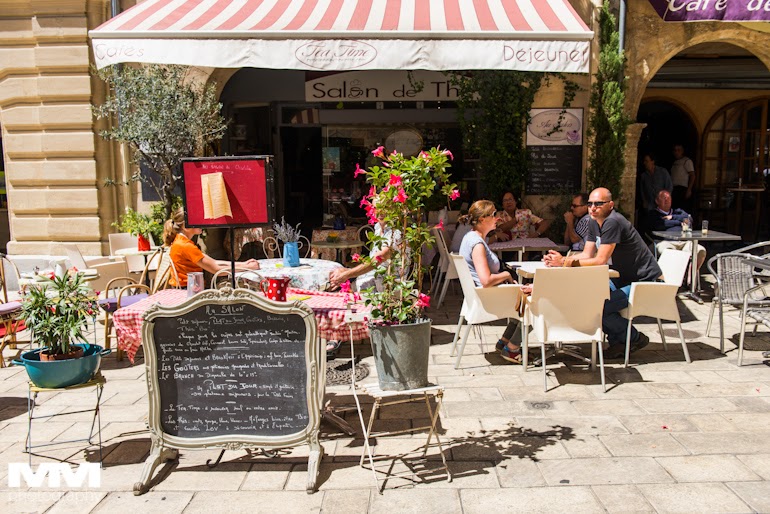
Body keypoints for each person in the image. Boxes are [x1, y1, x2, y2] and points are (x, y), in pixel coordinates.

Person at [543, 188, 661, 359]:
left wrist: (564, 262)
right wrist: (563, 261)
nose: (593, 207)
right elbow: (586, 254)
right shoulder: (593, 221)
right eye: (590, 203)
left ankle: (634, 338)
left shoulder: (613, 222)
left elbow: (600, 260)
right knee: (590, 298)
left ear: (611, 205)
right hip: (622, 279)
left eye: (598, 204)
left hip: (644, 280)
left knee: (600, 306)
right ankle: (618, 342)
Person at [459, 200, 530, 364]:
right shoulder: (477, 244)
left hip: (478, 295)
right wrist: (505, 275)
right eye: (493, 215)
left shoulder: (472, 237)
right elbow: (486, 280)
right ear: (483, 219)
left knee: (523, 295)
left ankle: (504, 341)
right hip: (486, 297)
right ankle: (512, 349)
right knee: (533, 300)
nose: (497, 218)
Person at [164, 207, 260, 287]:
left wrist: (244, 265)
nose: (201, 222)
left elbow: (214, 262)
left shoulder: (181, 241)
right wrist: (247, 268)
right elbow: (215, 269)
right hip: (189, 291)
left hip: (186, 287)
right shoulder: (185, 246)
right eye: (196, 220)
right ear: (186, 225)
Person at [647, 189, 706, 271]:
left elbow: (689, 219)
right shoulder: (653, 214)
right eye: (664, 198)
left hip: (684, 242)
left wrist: (673, 217)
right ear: (657, 201)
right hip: (665, 242)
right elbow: (660, 225)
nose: (667, 200)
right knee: (671, 254)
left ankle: (690, 275)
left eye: (669, 198)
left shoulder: (677, 211)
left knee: (700, 251)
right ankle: (673, 280)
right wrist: (679, 222)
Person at [328, 221, 395, 290]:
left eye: (383, 210)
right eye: (377, 209)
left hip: (387, 280)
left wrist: (347, 274)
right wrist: (347, 271)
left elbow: (377, 259)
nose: (380, 212)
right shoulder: (378, 227)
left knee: (337, 285)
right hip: (371, 274)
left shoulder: (395, 232)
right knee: (332, 273)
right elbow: (371, 262)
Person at [670, 143, 696, 210]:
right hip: (674, 189)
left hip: (682, 189)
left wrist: (689, 189)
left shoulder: (687, 161)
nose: (676, 152)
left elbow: (692, 175)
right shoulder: (674, 162)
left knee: (681, 209)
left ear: (682, 151)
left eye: (678, 150)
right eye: (675, 150)